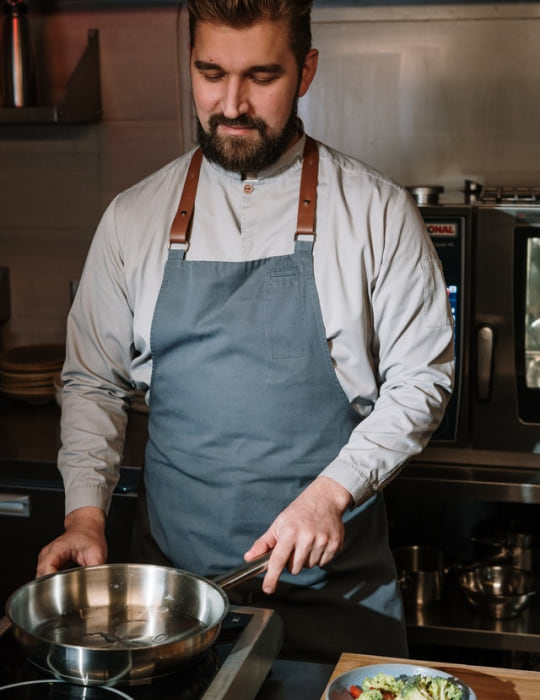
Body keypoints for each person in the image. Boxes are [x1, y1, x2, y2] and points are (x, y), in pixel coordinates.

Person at [37, 0, 454, 663]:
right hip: (171, 608)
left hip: (336, 603)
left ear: (305, 71)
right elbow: (94, 383)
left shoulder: (378, 211)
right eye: (211, 74)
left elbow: (421, 382)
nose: (231, 104)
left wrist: (330, 494)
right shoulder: (132, 218)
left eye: (261, 77)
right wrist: (85, 515)